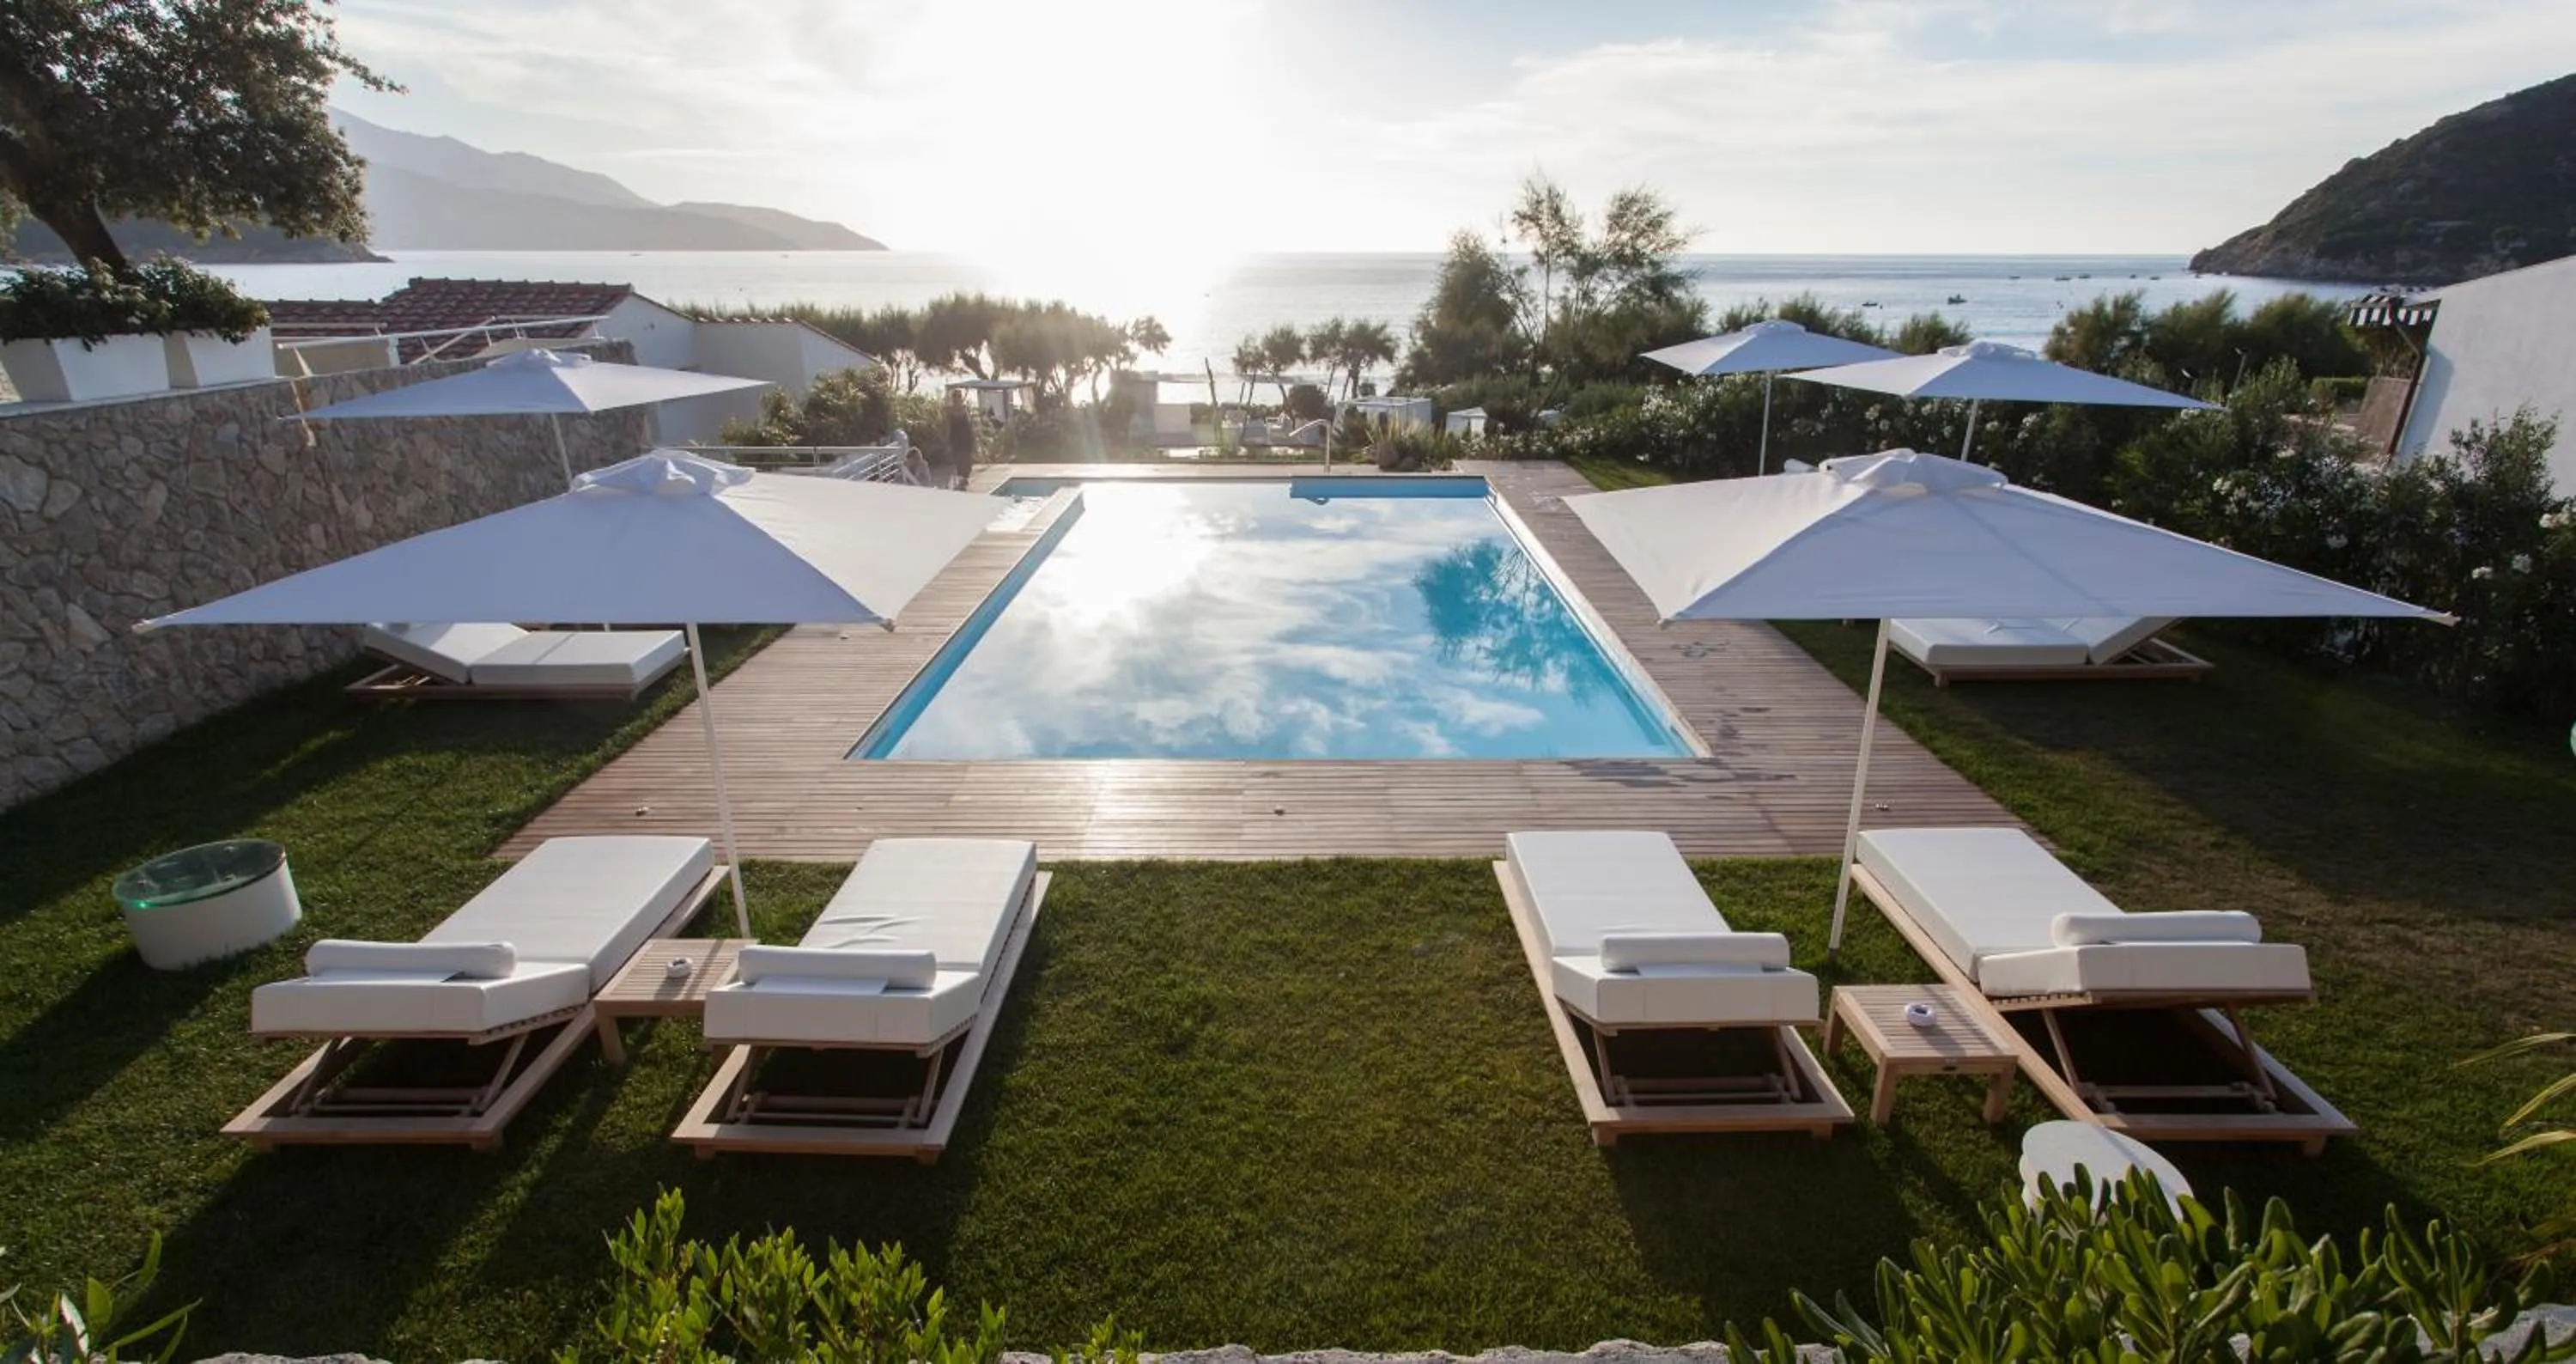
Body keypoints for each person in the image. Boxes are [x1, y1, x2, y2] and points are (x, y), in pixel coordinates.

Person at [945, 389, 976, 489]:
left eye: (959, 396)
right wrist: (948, 441)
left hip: (966, 438)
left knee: (967, 460)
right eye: (956, 396)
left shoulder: (965, 409)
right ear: (953, 398)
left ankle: (964, 479)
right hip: (956, 439)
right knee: (958, 461)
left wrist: (973, 439)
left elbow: (969, 425)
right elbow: (948, 426)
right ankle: (961, 479)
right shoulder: (950, 410)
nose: (957, 398)